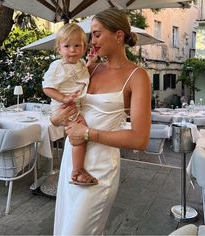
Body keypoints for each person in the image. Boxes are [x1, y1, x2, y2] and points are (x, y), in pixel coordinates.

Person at [51, 8, 151, 235]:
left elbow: (140, 138)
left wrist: (88, 134)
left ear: (118, 36)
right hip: (72, 160)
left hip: (100, 168)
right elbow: (66, 105)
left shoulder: (137, 76)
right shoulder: (90, 69)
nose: (91, 40)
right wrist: (55, 118)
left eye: (96, 34)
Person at [42, 23, 98, 185]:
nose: (72, 50)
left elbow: (80, 76)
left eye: (77, 46)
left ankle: (75, 167)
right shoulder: (57, 66)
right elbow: (47, 88)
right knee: (80, 135)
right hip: (64, 107)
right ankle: (77, 171)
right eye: (67, 46)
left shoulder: (80, 64)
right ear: (59, 49)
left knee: (79, 135)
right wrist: (63, 98)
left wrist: (90, 63)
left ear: (83, 48)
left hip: (75, 106)